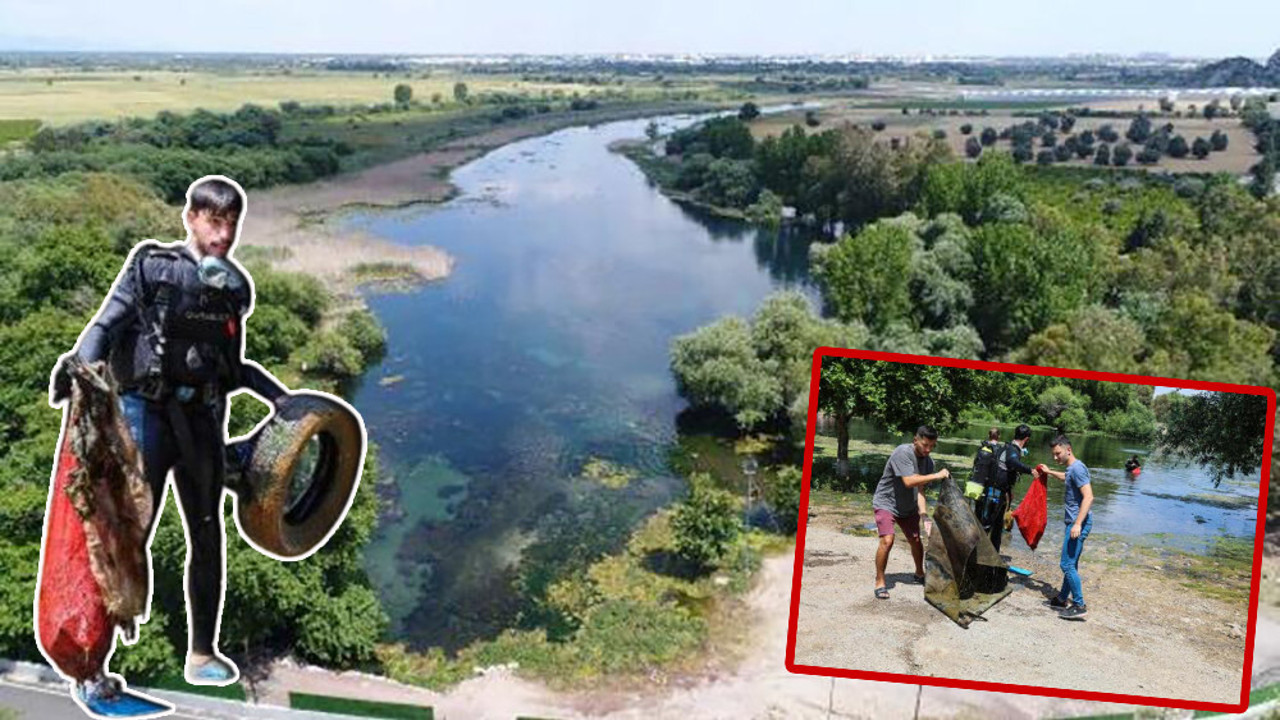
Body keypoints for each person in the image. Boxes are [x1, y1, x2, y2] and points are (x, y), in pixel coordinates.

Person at [50, 176, 290, 699]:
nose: (223, 235)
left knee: (207, 536)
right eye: (214, 221)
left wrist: (284, 400)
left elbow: (234, 367)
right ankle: (93, 670)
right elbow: (106, 324)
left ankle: (202, 651)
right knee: (123, 534)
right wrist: (78, 363)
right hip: (146, 413)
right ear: (192, 218)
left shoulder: (233, 290)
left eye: (231, 223)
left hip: (203, 419)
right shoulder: (152, 266)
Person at [872, 425, 950, 599]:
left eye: (932, 446)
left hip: (908, 506)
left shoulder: (928, 462)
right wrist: (937, 475)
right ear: (916, 440)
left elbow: (920, 489)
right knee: (887, 540)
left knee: (915, 539)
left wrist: (924, 516)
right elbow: (908, 481)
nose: (928, 450)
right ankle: (880, 581)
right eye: (925, 445)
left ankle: (919, 573)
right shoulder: (902, 452)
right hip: (886, 502)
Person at [1042, 435, 1094, 620]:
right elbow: (1067, 477)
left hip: (1078, 523)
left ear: (1068, 450)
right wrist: (1049, 472)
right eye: (1054, 455)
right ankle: (1062, 598)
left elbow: (1088, 497)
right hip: (1075, 522)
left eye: (1058, 454)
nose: (1055, 458)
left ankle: (1079, 604)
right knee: (1071, 563)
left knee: (1066, 564)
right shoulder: (1072, 469)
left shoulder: (1078, 468)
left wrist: (1078, 524)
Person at [973, 424, 1036, 553]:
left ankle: (991, 556)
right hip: (995, 493)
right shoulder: (1013, 450)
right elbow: (1012, 463)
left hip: (996, 491)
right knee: (989, 526)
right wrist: (1030, 470)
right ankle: (978, 556)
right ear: (1027, 439)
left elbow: (1004, 471)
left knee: (995, 527)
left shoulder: (1007, 447)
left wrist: (1009, 491)